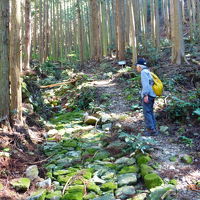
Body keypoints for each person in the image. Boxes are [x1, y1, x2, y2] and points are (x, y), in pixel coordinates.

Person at [135, 58, 158, 136]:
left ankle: (150, 130)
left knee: (147, 112)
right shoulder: (148, 71)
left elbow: (146, 85)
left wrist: (145, 95)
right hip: (152, 94)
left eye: (137, 66)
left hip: (148, 95)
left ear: (139, 66)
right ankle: (153, 128)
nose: (136, 68)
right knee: (150, 112)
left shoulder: (143, 73)